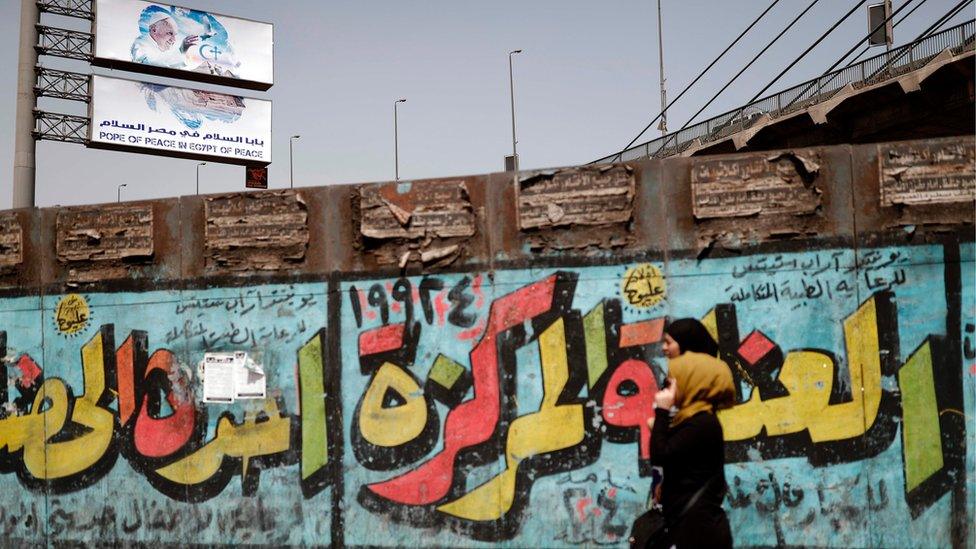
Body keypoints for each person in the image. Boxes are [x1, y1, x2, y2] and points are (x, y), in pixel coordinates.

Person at [648, 318, 735, 548]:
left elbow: (662, 452)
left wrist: (662, 413)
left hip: (697, 529)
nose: (670, 387)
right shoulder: (694, 418)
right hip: (687, 522)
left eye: (677, 380)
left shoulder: (702, 423)